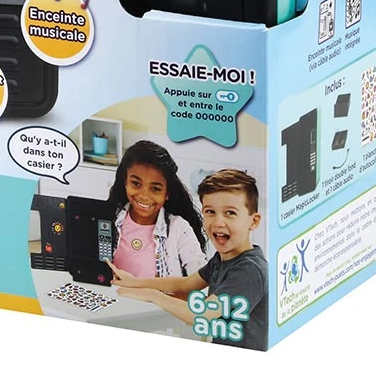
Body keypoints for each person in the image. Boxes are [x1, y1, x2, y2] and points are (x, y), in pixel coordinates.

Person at [110, 169, 268, 350]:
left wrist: (153, 295)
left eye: (230, 213)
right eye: (210, 211)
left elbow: (201, 315)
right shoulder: (222, 259)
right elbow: (185, 284)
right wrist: (136, 282)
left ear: (253, 221)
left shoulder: (249, 271)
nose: (218, 222)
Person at [106, 141, 206, 279]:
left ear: (167, 193)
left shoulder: (178, 228)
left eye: (155, 189)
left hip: (158, 294)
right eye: (136, 183)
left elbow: (200, 277)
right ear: (125, 182)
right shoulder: (108, 218)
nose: (144, 196)